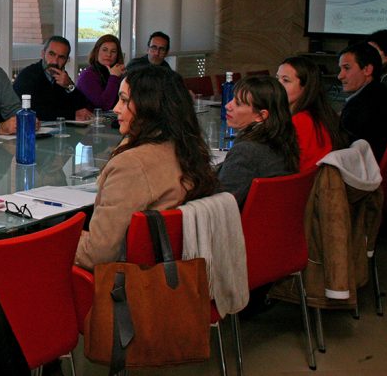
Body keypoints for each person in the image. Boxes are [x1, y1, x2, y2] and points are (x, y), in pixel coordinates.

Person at [75, 66, 217, 270]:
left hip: (124, 286)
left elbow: (98, 254)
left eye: (124, 100)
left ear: (149, 106)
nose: (115, 109)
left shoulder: (131, 165)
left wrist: (61, 239)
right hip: (172, 273)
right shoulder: (190, 150)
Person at [218, 76, 300, 207]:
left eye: (238, 103)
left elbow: (220, 203)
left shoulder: (246, 151)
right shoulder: (283, 140)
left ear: (261, 115)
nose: (228, 105)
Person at [338, 41, 387, 160]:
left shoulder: (362, 106)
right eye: (340, 69)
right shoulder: (380, 93)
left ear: (367, 70)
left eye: (346, 68)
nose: (340, 76)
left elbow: (342, 149)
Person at [276, 56, 345, 172]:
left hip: (300, 185)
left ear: (305, 87)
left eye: (285, 80)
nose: (277, 86)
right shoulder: (323, 114)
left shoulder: (301, 120)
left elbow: (282, 165)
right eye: (277, 79)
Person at [12, 35, 94, 121]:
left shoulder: (62, 76)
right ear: (43, 54)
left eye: (61, 57)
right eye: (51, 54)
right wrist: (71, 115)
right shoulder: (28, 75)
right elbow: (35, 112)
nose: (55, 61)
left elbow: (82, 107)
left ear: (66, 60)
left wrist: (69, 86)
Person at [76, 34, 125, 112]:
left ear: (117, 55)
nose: (109, 55)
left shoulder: (118, 73)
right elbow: (104, 105)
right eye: (105, 50)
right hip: (91, 122)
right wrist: (114, 77)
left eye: (113, 51)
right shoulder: (88, 75)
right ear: (97, 51)